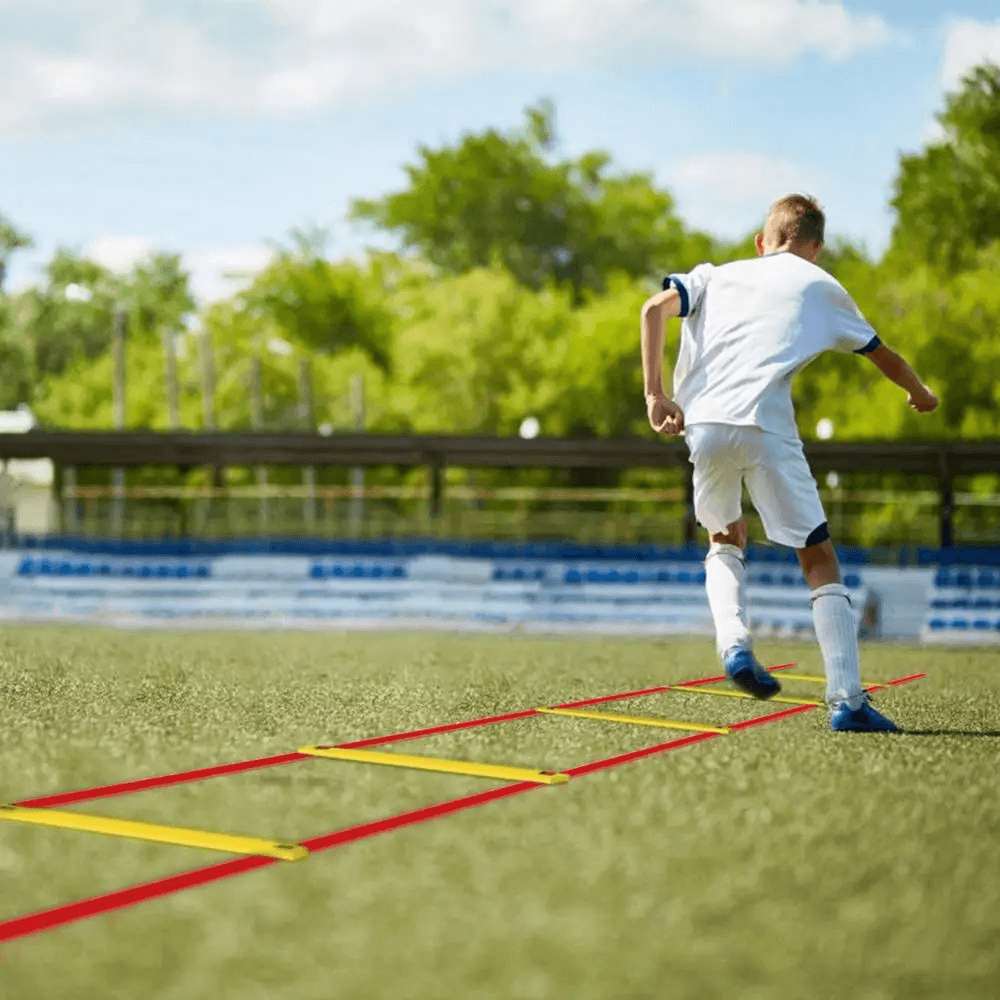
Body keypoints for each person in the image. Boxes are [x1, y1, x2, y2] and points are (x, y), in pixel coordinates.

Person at [639, 194, 939, 732]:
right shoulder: (820, 286)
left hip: (703, 426)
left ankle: (733, 643)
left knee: (725, 538)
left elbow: (651, 309)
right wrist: (919, 393)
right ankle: (847, 702)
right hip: (765, 426)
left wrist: (654, 396)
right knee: (818, 558)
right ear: (815, 250)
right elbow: (883, 355)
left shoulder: (716, 275)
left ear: (762, 242)